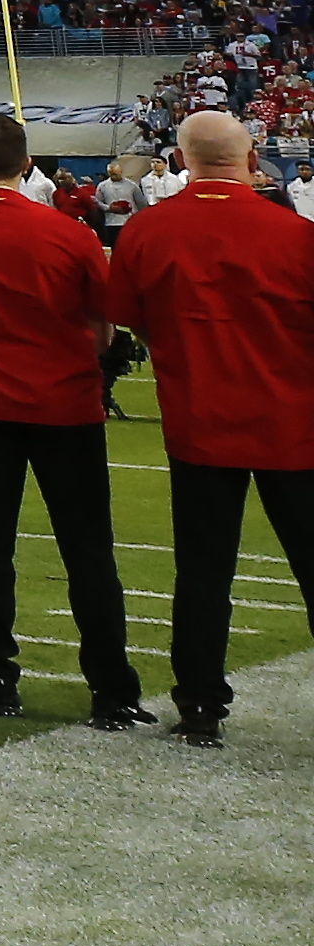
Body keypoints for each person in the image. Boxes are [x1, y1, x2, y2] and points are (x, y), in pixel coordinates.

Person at [0, 107, 151, 725]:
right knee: (88, 549)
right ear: (27, 164)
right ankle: (112, 690)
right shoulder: (69, 234)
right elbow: (102, 328)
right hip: (66, 405)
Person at [103, 109, 314, 748]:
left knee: (202, 571)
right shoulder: (296, 234)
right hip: (292, 422)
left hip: (199, 420)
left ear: (181, 158)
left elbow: (129, 320)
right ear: (251, 159)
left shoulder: (148, 231)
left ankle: (199, 704)